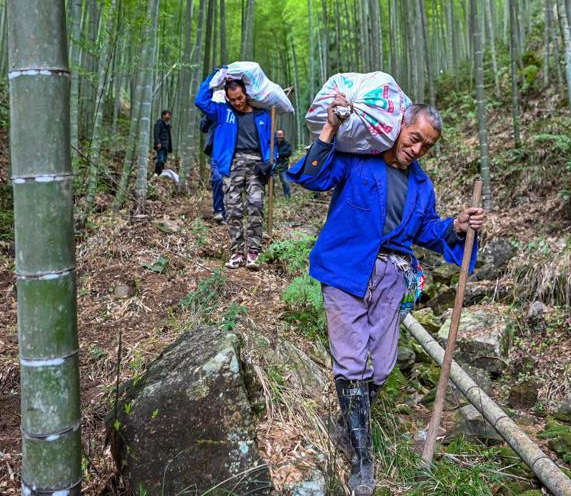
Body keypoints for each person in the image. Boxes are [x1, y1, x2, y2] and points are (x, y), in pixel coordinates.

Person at [286, 97, 486, 496]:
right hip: (346, 268)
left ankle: (347, 424)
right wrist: (329, 129)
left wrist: (457, 226)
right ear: (399, 125)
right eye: (414, 139)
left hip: (393, 276)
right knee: (351, 360)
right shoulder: (359, 158)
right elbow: (311, 177)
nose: (416, 150)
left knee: (381, 367)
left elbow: (428, 231)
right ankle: (363, 461)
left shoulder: (421, 184)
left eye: (426, 146)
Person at [195, 72, 275, 270]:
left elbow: (272, 144)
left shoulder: (263, 115)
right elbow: (200, 101)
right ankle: (237, 252)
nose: (238, 102)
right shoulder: (222, 112)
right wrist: (213, 76)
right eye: (233, 100)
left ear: (246, 93)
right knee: (233, 209)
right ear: (227, 98)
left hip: (257, 164)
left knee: (255, 206)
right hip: (232, 164)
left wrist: (270, 162)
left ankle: (254, 252)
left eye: (240, 98)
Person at [200, 114, 226, 223]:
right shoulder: (214, 110)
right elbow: (203, 127)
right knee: (218, 178)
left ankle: (229, 211)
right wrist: (208, 115)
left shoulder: (234, 108)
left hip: (231, 150)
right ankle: (218, 210)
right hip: (215, 150)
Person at [274, 130, 293, 199]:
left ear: (283, 136)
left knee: (285, 182)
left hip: (283, 165)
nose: (279, 137)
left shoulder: (287, 144)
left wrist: (279, 154)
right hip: (274, 165)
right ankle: (272, 197)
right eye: (278, 135)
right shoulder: (273, 144)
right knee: (271, 181)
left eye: (280, 135)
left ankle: (287, 197)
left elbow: (288, 153)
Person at [153, 110, 173, 175]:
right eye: (168, 114)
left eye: (170, 115)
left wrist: (169, 147)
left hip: (166, 146)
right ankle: (156, 173)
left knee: (164, 160)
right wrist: (158, 142)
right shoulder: (159, 123)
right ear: (163, 115)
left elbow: (169, 137)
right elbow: (156, 133)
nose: (169, 116)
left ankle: (161, 173)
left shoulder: (168, 125)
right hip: (161, 145)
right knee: (160, 159)